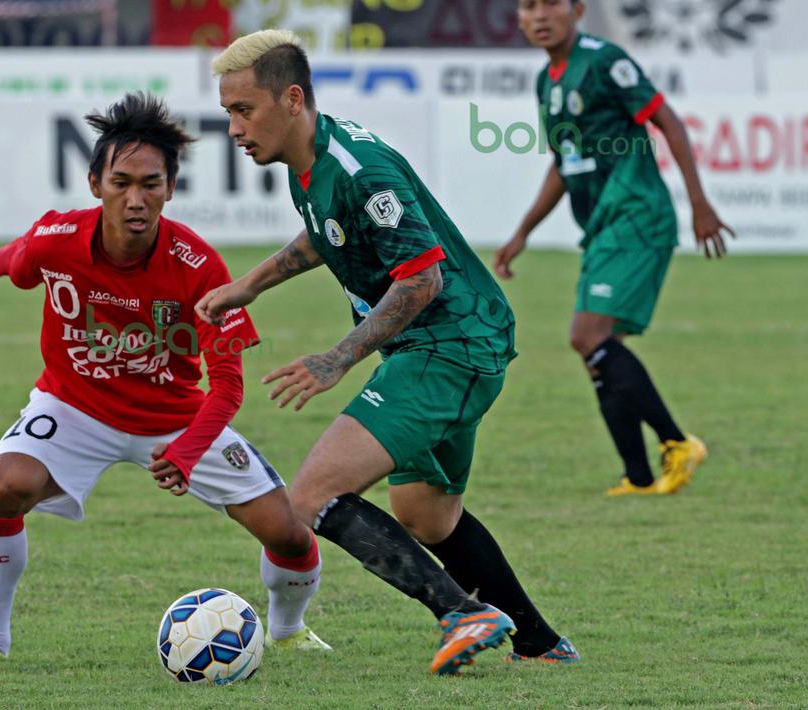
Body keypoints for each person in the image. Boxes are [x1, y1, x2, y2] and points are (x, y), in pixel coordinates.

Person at [199, 30, 577, 673]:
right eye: (227, 112)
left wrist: (336, 358)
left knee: (311, 495)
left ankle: (462, 612)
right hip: (437, 345)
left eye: (243, 110)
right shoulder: (310, 162)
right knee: (427, 514)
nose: (234, 127)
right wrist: (251, 285)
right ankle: (541, 644)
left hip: (450, 344)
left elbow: (422, 278)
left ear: (291, 99)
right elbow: (325, 236)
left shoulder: (357, 167)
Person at [0, 92, 330, 668]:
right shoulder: (57, 237)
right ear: (96, 183)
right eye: (121, 182)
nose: (136, 199)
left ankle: (288, 629)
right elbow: (15, 259)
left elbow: (227, 388)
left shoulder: (201, 268)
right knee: (3, 486)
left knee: (289, 533)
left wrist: (190, 452)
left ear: (171, 188)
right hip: (74, 406)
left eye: (151, 184)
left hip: (175, 422)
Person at [496, 0, 731, 496]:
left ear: (577, 10)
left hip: (637, 214)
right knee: (598, 350)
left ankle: (677, 442)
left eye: (550, 4)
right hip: (603, 225)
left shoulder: (604, 60)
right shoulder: (548, 81)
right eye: (527, 6)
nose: (538, 15)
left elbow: (668, 121)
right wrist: (523, 232)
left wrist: (699, 202)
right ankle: (640, 477)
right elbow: (565, 162)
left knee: (587, 335)